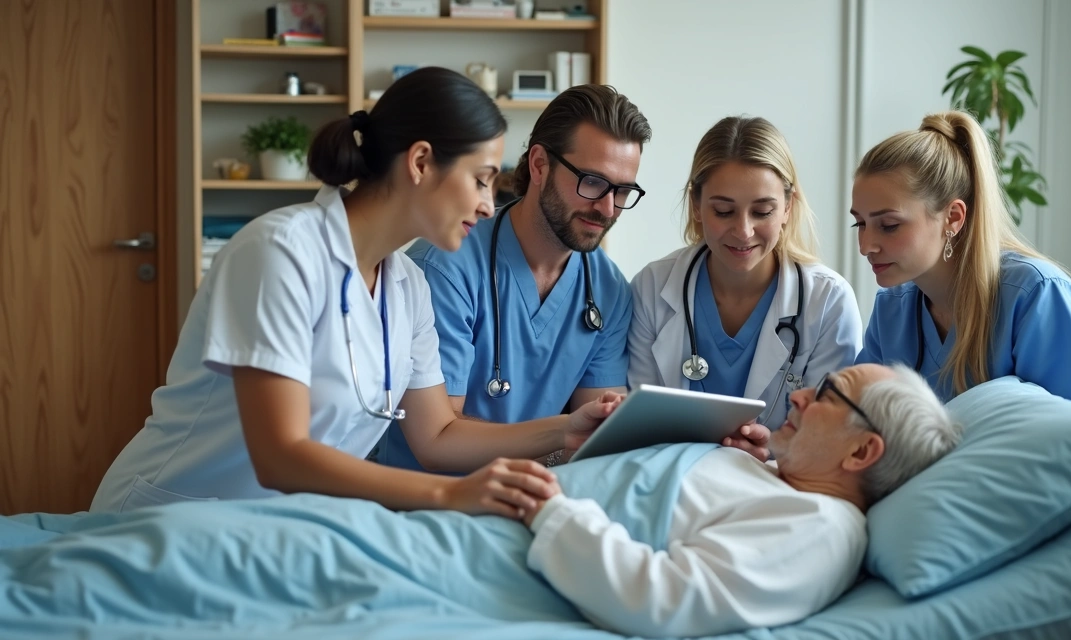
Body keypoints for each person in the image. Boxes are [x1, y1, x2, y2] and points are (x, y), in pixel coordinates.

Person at [19, 364, 962, 638]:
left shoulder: (820, 529)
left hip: (487, 557)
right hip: (456, 522)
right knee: (202, 537)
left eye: (823, 396)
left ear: (864, 452)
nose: (796, 396)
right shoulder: (780, 479)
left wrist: (553, 509)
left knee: (200, 560)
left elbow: (671, 599)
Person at [90, 67, 622, 517]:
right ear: (419, 163)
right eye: (481, 179)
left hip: (271, 530)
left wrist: (565, 428)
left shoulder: (406, 286)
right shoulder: (278, 252)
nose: (488, 204)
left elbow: (437, 435)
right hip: (171, 515)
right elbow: (280, 455)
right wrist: (452, 494)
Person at [374, 83, 651, 471]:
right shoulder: (445, 267)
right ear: (539, 165)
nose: (607, 207)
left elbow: (595, 439)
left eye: (622, 191)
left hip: (535, 496)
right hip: (426, 502)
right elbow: (438, 443)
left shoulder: (609, 291)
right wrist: (559, 442)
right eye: (592, 181)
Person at [628, 116, 864, 448]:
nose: (743, 231)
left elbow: (831, 440)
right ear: (696, 205)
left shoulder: (828, 302)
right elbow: (638, 424)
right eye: (724, 211)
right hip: (674, 480)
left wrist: (774, 449)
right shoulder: (653, 287)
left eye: (762, 211)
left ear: (787, 207)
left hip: (779, 487)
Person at [851, 109, 1071, 406]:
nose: (866, 245)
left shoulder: (1037, 296)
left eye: (889, 226)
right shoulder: (892, 310)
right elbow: (856, 418)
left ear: (953, 218)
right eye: (860, 224)